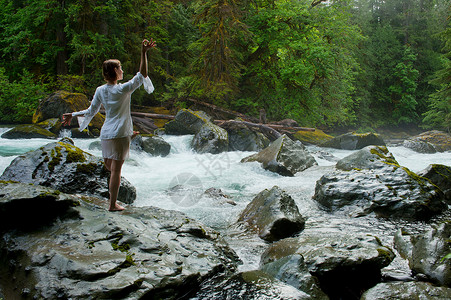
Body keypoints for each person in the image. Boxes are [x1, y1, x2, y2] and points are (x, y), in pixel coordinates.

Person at [62, 38, 156, 211]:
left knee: (109, 166)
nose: (122, 70)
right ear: (115, 70)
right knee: (115, 170)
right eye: (120, 67)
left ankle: (112, 201)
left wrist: (73, 114)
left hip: (106, 132)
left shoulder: (100, 90)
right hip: (119, 133)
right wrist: (143, 53)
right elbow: (142, 74)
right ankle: (112, 205)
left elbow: (91, 111)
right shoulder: (122, 89)